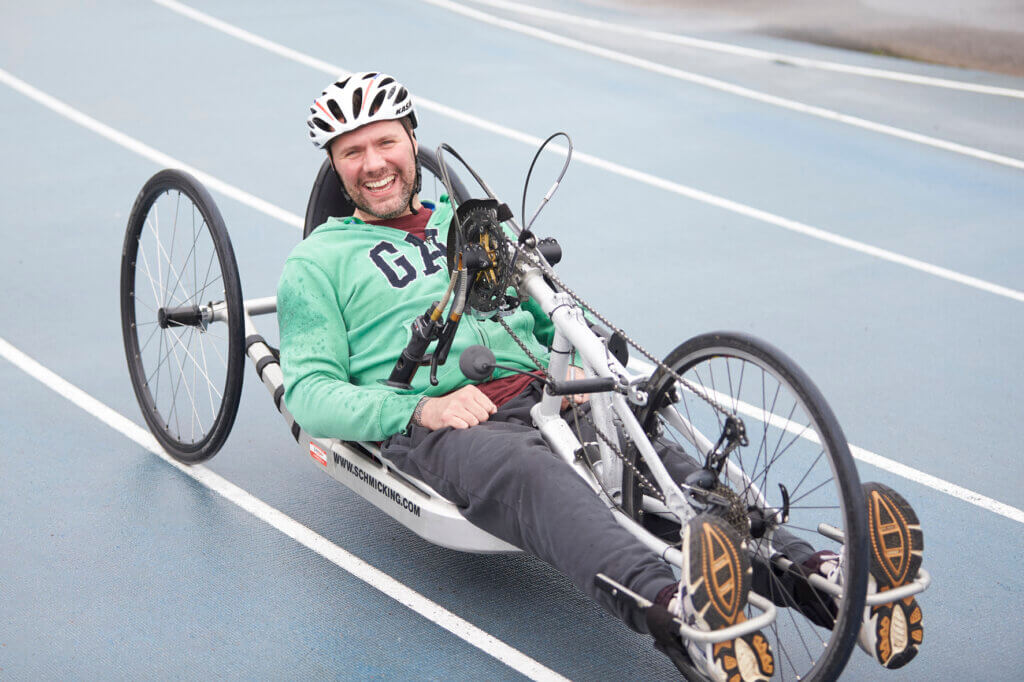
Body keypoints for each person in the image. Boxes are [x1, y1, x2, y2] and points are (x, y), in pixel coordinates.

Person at [280, 71, 924, 679]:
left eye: (386, 141)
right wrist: (419, 411)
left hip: (548, 388)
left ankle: (833, 584)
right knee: (540, 480)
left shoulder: (473, 226)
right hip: (451, 421)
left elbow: (550, 306)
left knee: (666, 470)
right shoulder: (318, 263)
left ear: (413, 141)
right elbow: (309, 393)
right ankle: (680, 611)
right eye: (352, 152)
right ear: (335, 166)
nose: (373, 164)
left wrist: (594, 353)